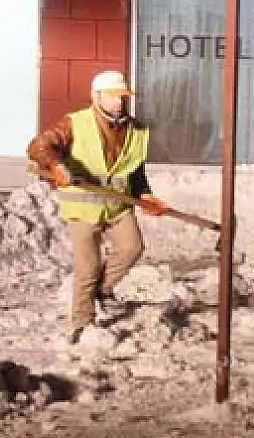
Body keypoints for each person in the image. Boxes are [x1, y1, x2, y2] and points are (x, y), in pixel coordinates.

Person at [27, 70, 169, 344]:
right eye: (113, 97)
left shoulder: (136, 129)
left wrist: (145, 194)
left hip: (118, 204)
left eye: (123, 97)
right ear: (96, 97)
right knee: (87, 266)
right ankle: (82, 321)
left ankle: (102, 291)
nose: (120, 103)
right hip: (84, 206)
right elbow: (39, 146)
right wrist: (58, 165)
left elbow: (135, 169)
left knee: (132, 248)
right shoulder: (75, 123)